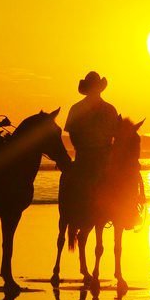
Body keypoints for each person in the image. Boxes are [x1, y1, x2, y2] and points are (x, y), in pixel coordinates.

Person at [64, 71, 119, 222]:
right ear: (88, 88)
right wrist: (81, 148)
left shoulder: (110, 109)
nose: (95, 90)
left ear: (100, 88)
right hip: (84, 155)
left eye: (96, 87)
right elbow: (72, 134)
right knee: (74, 184)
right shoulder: (77, 108)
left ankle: (127, 213)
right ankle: (72, 212)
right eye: (92, 87)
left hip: (105, 155)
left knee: (125, 180)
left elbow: (116, 134)